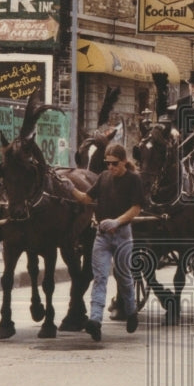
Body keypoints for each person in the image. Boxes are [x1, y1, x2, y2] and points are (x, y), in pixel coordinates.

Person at [65, 143, 141, 341]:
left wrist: (117, 221)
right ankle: (95, 321)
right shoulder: (103, 178)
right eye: (107, 163)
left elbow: (136, 208)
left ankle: (131, 310)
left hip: (123, 235)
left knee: (123, 277)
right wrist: (71, 189)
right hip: (102, 236)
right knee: (100, 278)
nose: (110, 167)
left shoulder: (133, 180)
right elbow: (86, 198)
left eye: (114, 163)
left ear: (123, 161)